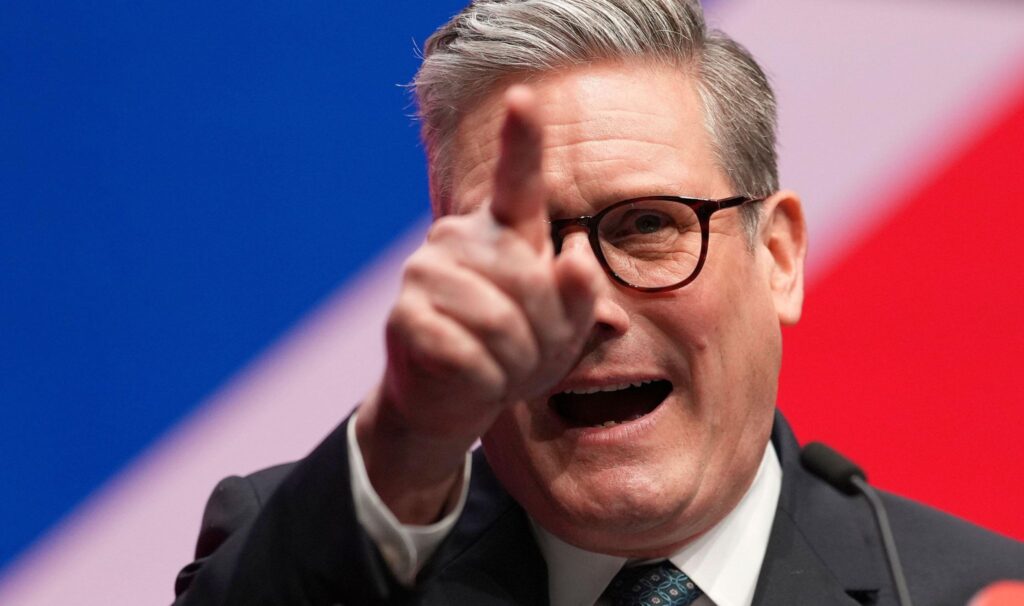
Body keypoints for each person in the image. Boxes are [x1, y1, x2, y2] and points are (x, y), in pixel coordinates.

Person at [172, 1, 1023, 605]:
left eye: (647, 224)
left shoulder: (968, 590)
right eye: (518, 245)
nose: (582, 305)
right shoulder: (316, 561)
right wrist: (407, 436)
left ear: (777, 257)